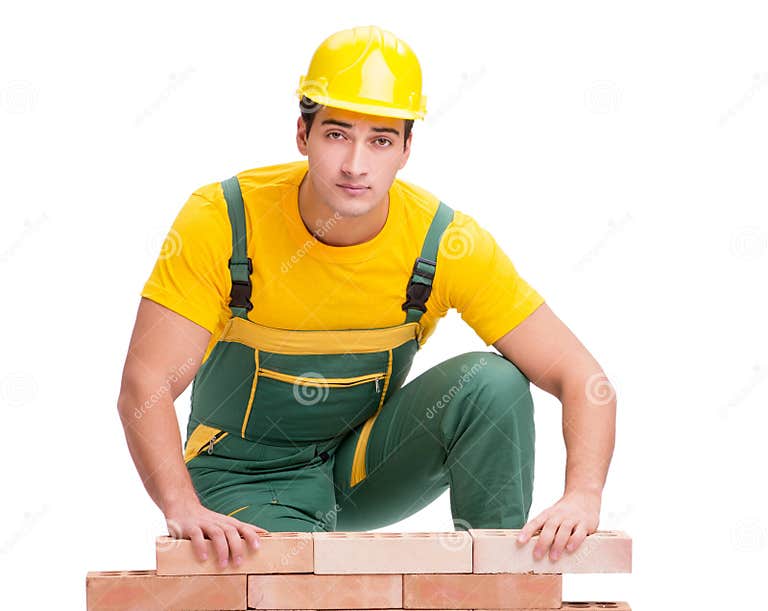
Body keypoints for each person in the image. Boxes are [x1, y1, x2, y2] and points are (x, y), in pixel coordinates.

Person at [117, 25, 616, 571]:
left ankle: (498, 583)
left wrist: (583, 495)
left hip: (357, 469)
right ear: (302, 134)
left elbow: (582, 377)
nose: (356, 164)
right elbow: (145, 385)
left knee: (492, 384)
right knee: (296, 584)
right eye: (336, 134)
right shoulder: (224, 220)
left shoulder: (443, 242)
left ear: (405, 149)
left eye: (380, 139)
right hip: (244, 478)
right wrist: (181, 507)